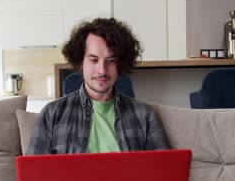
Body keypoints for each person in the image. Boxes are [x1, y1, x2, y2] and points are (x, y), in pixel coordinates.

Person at [26, 17, 167, 155]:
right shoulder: (52, 114)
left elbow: (161, 172)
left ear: (120, 65)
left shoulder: (144, 115)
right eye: (93, 60)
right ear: (81, 63)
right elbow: (32, 176)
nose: (102, 70)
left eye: (111, 61)